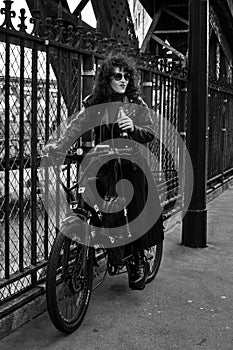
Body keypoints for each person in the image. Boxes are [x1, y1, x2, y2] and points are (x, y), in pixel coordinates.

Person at [45, 54, 164, 290]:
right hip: (103, 164)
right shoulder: (94, 103)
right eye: (118, 76)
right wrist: (57, 146)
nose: (123, 80)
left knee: (134, 209)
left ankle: (137, 258)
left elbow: (150, 133)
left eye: (126, 76)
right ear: (107, 78)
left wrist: (134, 128)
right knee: (90, 203)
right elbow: (76, 126)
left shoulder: (136, 104)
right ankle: (85, 250)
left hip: (130, 165)